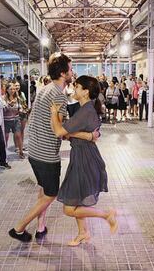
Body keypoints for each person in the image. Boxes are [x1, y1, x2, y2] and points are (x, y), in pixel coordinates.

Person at [9, 53, 99, 243]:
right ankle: (19, 228)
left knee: (43, 190)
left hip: (35, 151)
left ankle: (41, 227)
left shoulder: (45, 89)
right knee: (50, 194)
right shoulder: (58, 95)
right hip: (47, 154)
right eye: (71, 69)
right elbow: (61, 131)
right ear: (63, 73)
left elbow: (37, 120)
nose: (72, 73)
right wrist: (90, 135)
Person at [50, 75, 118, 246]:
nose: (74, 89)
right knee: (77, 200)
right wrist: (85, 135)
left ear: (85, 92)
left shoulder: (86, 110)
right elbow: (68, 133)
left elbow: (59, 132)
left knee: (68, 208)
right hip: (84, 156)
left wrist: (53, 113)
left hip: (84, 159)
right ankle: (83, 233)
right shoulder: (85, 109)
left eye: (77, 87)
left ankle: (105, 215)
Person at [3, 83, 25, 159]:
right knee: (5, 137)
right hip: (6, 120)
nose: (13, 91)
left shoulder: (18, 98)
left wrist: (22, 110)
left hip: (16, 119)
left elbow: (20, 108)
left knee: (18, 136)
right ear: (7, 90)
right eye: (11, 89)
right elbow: (3, 109)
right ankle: (3, 153)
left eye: (14, 89)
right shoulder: (3, 98)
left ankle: (21, 151)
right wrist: (9, 105)